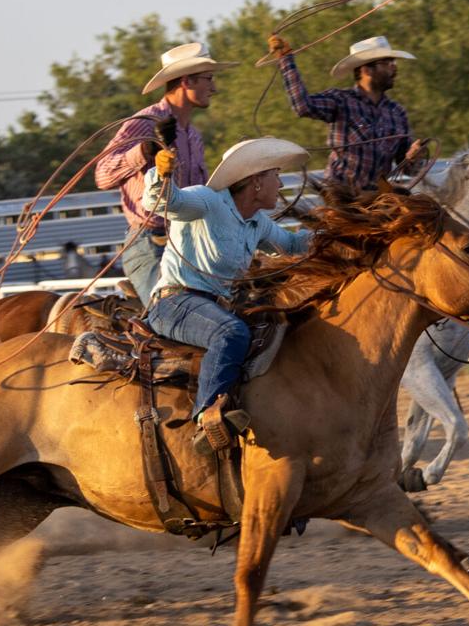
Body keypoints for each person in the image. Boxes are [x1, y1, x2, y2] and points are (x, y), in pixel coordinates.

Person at [141, 137, 313, 454]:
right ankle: (207, 420)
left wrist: (340, 227)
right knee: (231, 332)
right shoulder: (207, 201)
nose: (280, 184)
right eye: (275, 175)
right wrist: (161, 174)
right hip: (173, 303)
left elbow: (291, 246)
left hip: (211, 307)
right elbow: (162, 201)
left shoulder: (257, 223)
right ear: (256, 181)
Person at [95, 42, 238, 299]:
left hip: (188, 243)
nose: (214, 88)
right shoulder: (144, 123)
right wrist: (144, 150)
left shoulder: (194, 136)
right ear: (187, 81)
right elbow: (102, 174)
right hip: (151, 243)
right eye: (208, 79)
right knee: (174, 309)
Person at [260, 34, 425, 192]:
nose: (394, 67)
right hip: (340, 197)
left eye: (393, 62)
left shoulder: (397, 113)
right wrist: (286, 59)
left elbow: (410, 170)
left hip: (377, 199)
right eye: (387, 63)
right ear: (366, 70)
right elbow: (303, 106)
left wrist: (414, 158)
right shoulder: (341, 101)